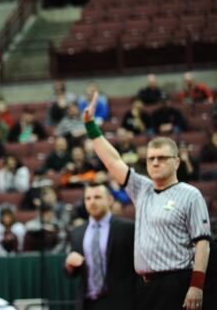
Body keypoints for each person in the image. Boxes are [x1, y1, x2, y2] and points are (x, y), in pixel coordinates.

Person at [83, 92, 211, 310]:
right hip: (144, 286)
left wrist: (196, 285)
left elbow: (203, 242)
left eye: (162, 158)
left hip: (177, 282)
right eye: (151, 158)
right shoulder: (141, 189)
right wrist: (91, 126)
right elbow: (113, 160)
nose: (155, 162)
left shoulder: (190, 194)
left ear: (176, 162)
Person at [64, 183, 135, 310]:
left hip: (120, 302)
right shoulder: (77, 233)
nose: (92, 202)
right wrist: (69, 266)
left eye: (97, 197)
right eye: (88, 198)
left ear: (110, 200)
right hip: (88, 303)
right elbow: (72, 272)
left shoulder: (127, 229)